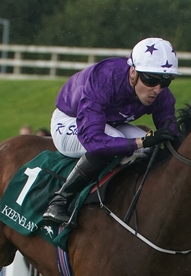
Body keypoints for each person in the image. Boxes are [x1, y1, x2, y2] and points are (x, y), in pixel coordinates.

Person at [42, 37, 180, 227]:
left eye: (166, 81)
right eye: (151, 80)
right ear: (133, 72)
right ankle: (59, 201)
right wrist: (141, 141)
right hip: (70, 120)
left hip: (109, 123)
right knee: (120, 142)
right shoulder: (105, 79)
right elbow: (94, 140)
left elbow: (173, 134)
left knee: (147, 151)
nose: (157, 90)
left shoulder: (160, 93)